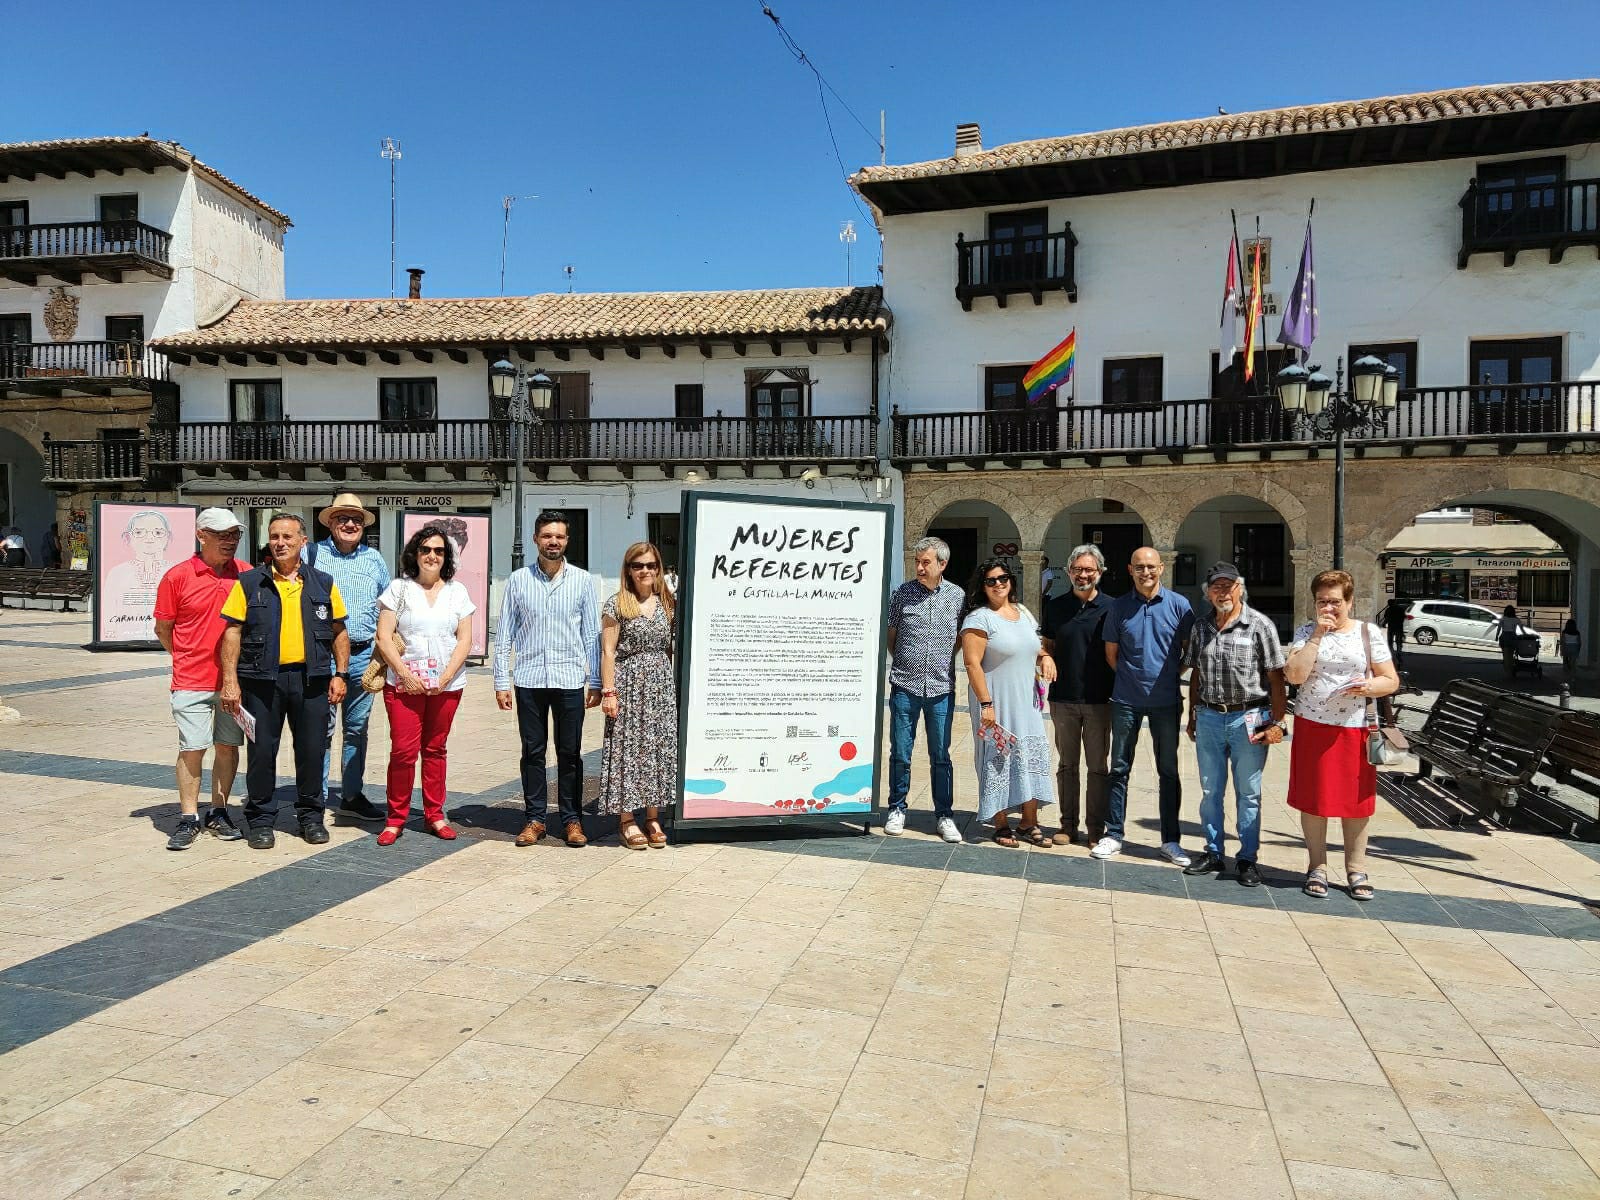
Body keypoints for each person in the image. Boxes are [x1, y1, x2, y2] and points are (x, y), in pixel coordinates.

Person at [218, 513, 351, 850]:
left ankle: (311, 818)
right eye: (275, 536)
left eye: (287, 537)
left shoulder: (323, 582)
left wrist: (341, 673)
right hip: (261, 681)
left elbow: (338, 630)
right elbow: (232, 632)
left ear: (303, 541)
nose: (280, 543)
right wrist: (230, 681)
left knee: (311, 751)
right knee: (261, 752)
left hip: (311, 680)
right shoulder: (250, 583)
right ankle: (261, 820)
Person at [1283, 569, 1401, 901]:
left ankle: (1356, 868)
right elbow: (1294, 676)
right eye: (1322, 601)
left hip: (1355, 727)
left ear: (1349, 602)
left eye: (1335, 602)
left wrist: (1368, 686)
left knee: (1356, 802)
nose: (1328, 608)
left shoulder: (1368, 632)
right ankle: (1317, 867)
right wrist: (1317, 636)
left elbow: (1390, 680)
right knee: (1314, 799)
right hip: (1313, 725)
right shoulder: (1306, 632)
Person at [494, 510, 601, 848]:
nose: (553, 541)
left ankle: (571, 820)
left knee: (570, 752)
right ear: (536, 539)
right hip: (529, 679)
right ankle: (535, 819)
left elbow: (591, 634)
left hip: (569, 679)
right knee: (532, 752)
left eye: (559, 536)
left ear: (567, 540)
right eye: (547, 536)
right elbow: (505, 634)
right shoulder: (518, 581)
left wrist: (596, 680)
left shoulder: (583, 581)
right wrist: (500, 681)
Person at [152, 508, 251, 850]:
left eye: (234, 534)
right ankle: (189, 816)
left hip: (234, 681)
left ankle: (219, 811)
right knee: (192, 747)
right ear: (201, 535)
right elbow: (163, 628)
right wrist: (184, 656)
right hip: (191, 680)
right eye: (222, 534)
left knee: (227, 746)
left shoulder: (246, 574)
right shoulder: (177, 577)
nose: (230, 541)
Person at [1183, 563, 1288, 887]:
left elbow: (1276, 678)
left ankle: (1247, 859)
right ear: (1208, 593)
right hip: (1210, 717)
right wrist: (1192, 714)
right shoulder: (1201, 627)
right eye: (1216, 587)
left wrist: (1279, 722)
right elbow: (1196, 673)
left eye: (1228, 586)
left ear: (1239, 589)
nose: (1223, 593)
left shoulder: (1260, 626)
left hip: (1249, 718)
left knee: (1249, 792)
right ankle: (1213, 852)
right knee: (1210, 790)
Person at [373, 525, 475, 845]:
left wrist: (445, 677)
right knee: (403, 752)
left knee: (435, 749)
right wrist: (405, 674)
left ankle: (435, 814)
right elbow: (383, 637)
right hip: (404, 684)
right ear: (415, 553)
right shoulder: (399, 589)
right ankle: (395, 818)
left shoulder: (457, 592)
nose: (432, 556)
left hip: (446, 685)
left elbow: (465, 639)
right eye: (426, 549)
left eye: (439, 551)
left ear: (447, 557)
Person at [1095, 547, 1196, 863]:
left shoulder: (1179, 606)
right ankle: (1113, 834)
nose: (1146, 572)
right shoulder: (1119, 607)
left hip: (1166, 702)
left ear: (1162, 568)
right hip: (1126, 700)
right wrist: (1133, 678)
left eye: (1151, 567)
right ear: (1130, 570)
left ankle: (1171, 840)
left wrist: (1170, 676)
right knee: (1119, 768)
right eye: (1139, 567)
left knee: (1168, 771)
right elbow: (1111, 654)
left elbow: (1188, 651)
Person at [960, 557, 1057, 847]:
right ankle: (1000, 823)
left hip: (1027, 701)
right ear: (983, 586)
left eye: (1002, 578)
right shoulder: (979, 619)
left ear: (1011, 581)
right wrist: (986, 704)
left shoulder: (1023, 613)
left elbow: (1034, 646)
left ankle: (1029, 822)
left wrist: (1046, 656)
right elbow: (972, 664)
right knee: (999, 758)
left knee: (1030, 755)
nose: (998, 584)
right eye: (991, 580)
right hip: (996, 701)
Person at [309, 493, 390, 821]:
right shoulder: (312, 555)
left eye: (356, 519)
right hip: (322, 656)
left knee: (357, 729)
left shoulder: (374, 559)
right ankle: (316, 798)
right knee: (321, 729)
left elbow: (387, 604)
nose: (350, 524)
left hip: (363, 656)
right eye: (342, 518)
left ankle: (352, 796)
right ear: (330, 522)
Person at [885, 536, 965, 843]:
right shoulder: (902, 593)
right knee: (901, 752)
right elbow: (892, 635)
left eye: (926, 562)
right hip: (905, 685)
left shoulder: (957, 596)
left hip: (941, 688)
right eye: (917, 562)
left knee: (940, 755)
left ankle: (944, 815)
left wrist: (942, 661)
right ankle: (897, 808)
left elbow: (960, 638)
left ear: (942, 564)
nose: (919, 567)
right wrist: (907, 661)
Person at [597, 541, 677, 849]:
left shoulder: (667, 602)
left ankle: (653, 817)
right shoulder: (617, 604)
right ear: (628, 570)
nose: (645, 570)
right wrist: (609, 692)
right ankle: (627, 819)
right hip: (628, 683)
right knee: (627, 750)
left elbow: (670, 648)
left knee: (657, 748)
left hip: (660, 686)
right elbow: (607, 651)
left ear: (658, 568)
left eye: (651, 565)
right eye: (638, 565)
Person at [1042, 544, 1115, 847]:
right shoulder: (1055, 607)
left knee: (1097, 768)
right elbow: (1046, 644)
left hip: (1100, 700)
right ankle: (1067, 825)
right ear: (1068, 572)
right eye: (1077, 569)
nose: (1083, 575)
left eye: (1089, 569)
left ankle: (1096, 828)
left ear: (1100, 572)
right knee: (1067, 766)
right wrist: (1045, 657)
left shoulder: (1113, 608)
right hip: (1063, 699)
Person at [1490, 604, 1522, 675]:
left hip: (1504, 636)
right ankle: (1511, 667)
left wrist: (1496, 636)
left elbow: (1499, 628)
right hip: (1513, 637)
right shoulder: (1516, 619)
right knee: (1511, 654)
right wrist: (1524, 635)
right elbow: (1521, 628)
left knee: (1505, 654)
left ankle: (1507, 668)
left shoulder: (1503, 618)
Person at [1381, 597, 1408, 664]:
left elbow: (1386, 618)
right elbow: (1404, 617)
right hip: (1399, 627)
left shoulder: (1388, 610)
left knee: (1390, 641)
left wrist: (1384, 623)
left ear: (1389, 604)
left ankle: (1392, 654)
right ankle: (1398, 653)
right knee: (1398, 641)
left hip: (1391, 627)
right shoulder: (1400, 609)